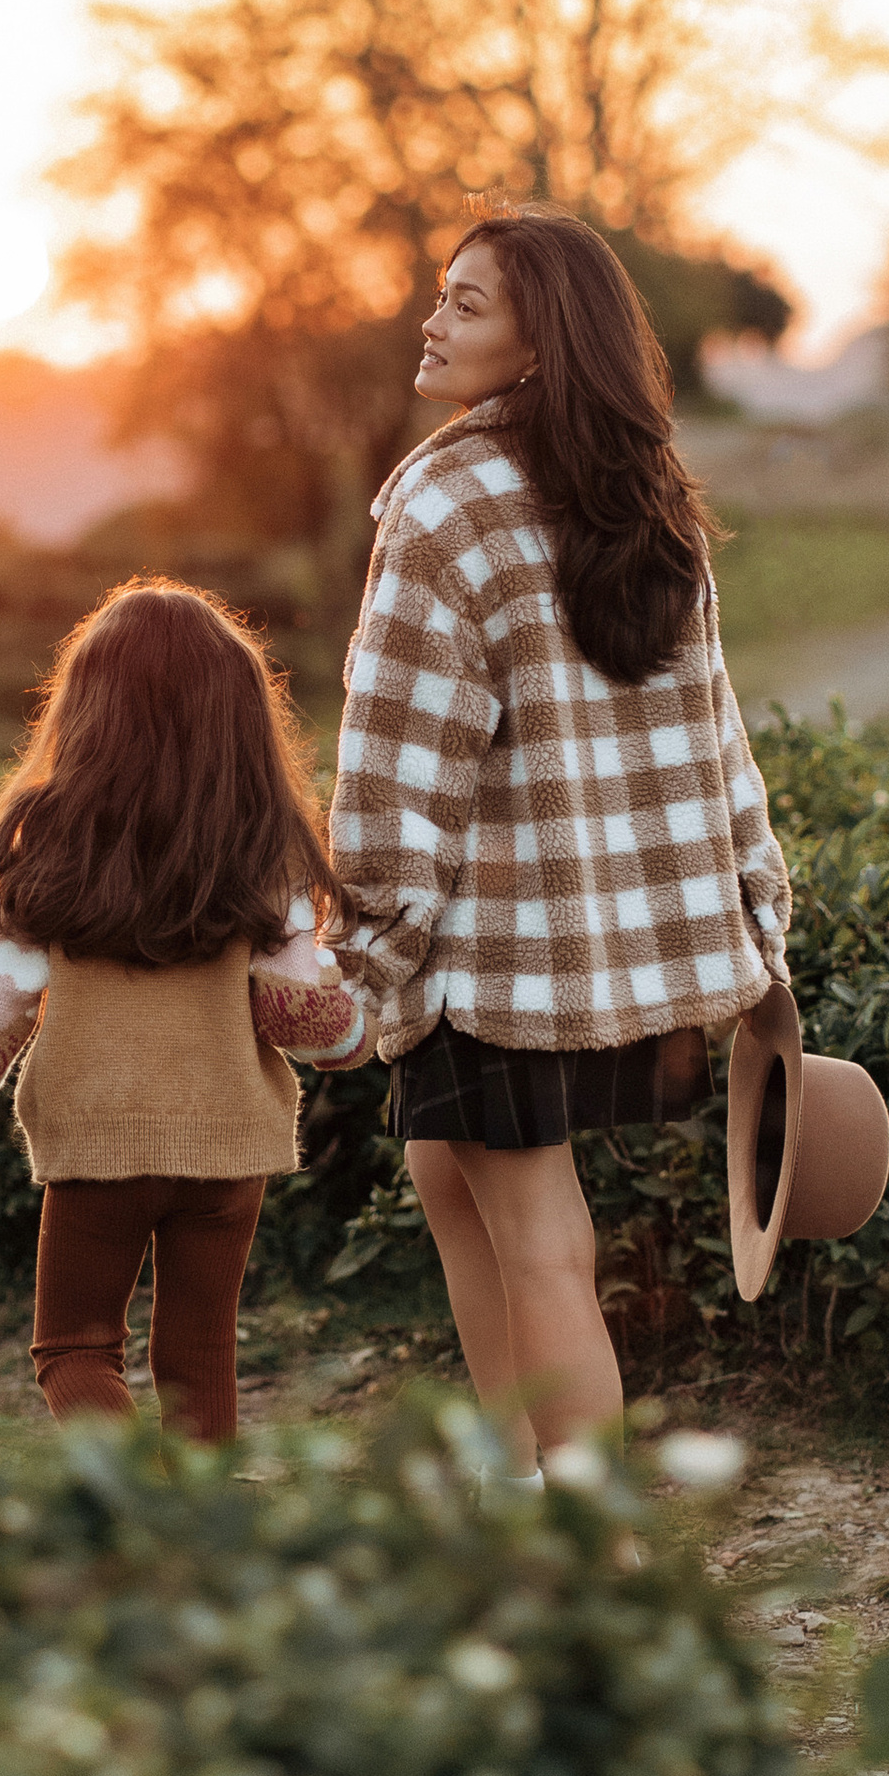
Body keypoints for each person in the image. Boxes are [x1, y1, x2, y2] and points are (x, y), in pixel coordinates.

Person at [329, 209, 792, 1484]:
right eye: (441, 293)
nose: (431, 320)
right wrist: (758, 909)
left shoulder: (442, 499)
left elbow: (396, 761)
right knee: (444, 1172)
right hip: (607, 958)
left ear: (543, 340)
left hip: (497, 960)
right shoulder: (650, 499)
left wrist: (361, 953)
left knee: (538, 1237)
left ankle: (594, 1544)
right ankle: (518, 1489)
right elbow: (719, 735)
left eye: (468, 304)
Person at [0, 579, 373, 1441]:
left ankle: (148, 1504)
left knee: (73, 1352)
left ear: (83, 711)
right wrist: (356, 1034)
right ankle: (204, 1533)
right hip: (227, 1150)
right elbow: (310, 1024)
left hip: (95, 1144)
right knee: (200, 1356)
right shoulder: (263, 845)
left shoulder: (47, 839)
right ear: (240, 718)